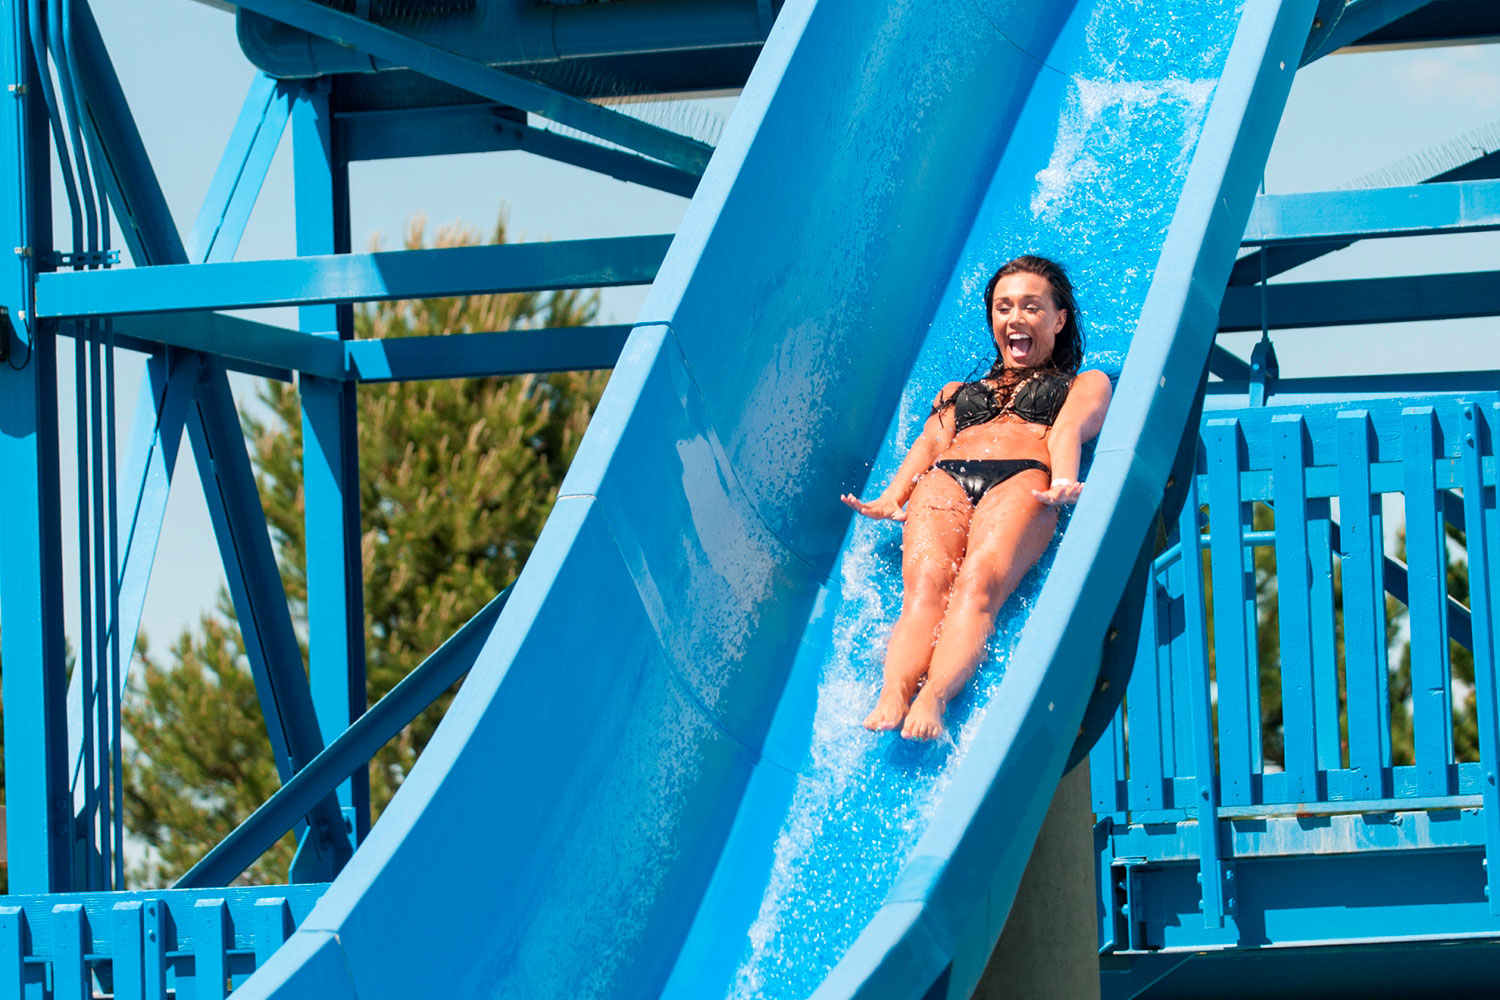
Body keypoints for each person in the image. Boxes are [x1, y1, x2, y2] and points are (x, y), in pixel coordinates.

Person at [840, 255, 1112, 741]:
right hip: (946, 477)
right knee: (925, 585)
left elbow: (1067, 429)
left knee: (978, 583)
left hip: (1021, 476)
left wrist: (1063, 480)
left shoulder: (1085, 383)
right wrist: (891, 495)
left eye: (1031, 307)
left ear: (1059, 318)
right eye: (1004, 307)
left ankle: (934, 696)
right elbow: (929, 444)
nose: (1016, 318)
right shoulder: (957, 391)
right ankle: (896, 690)